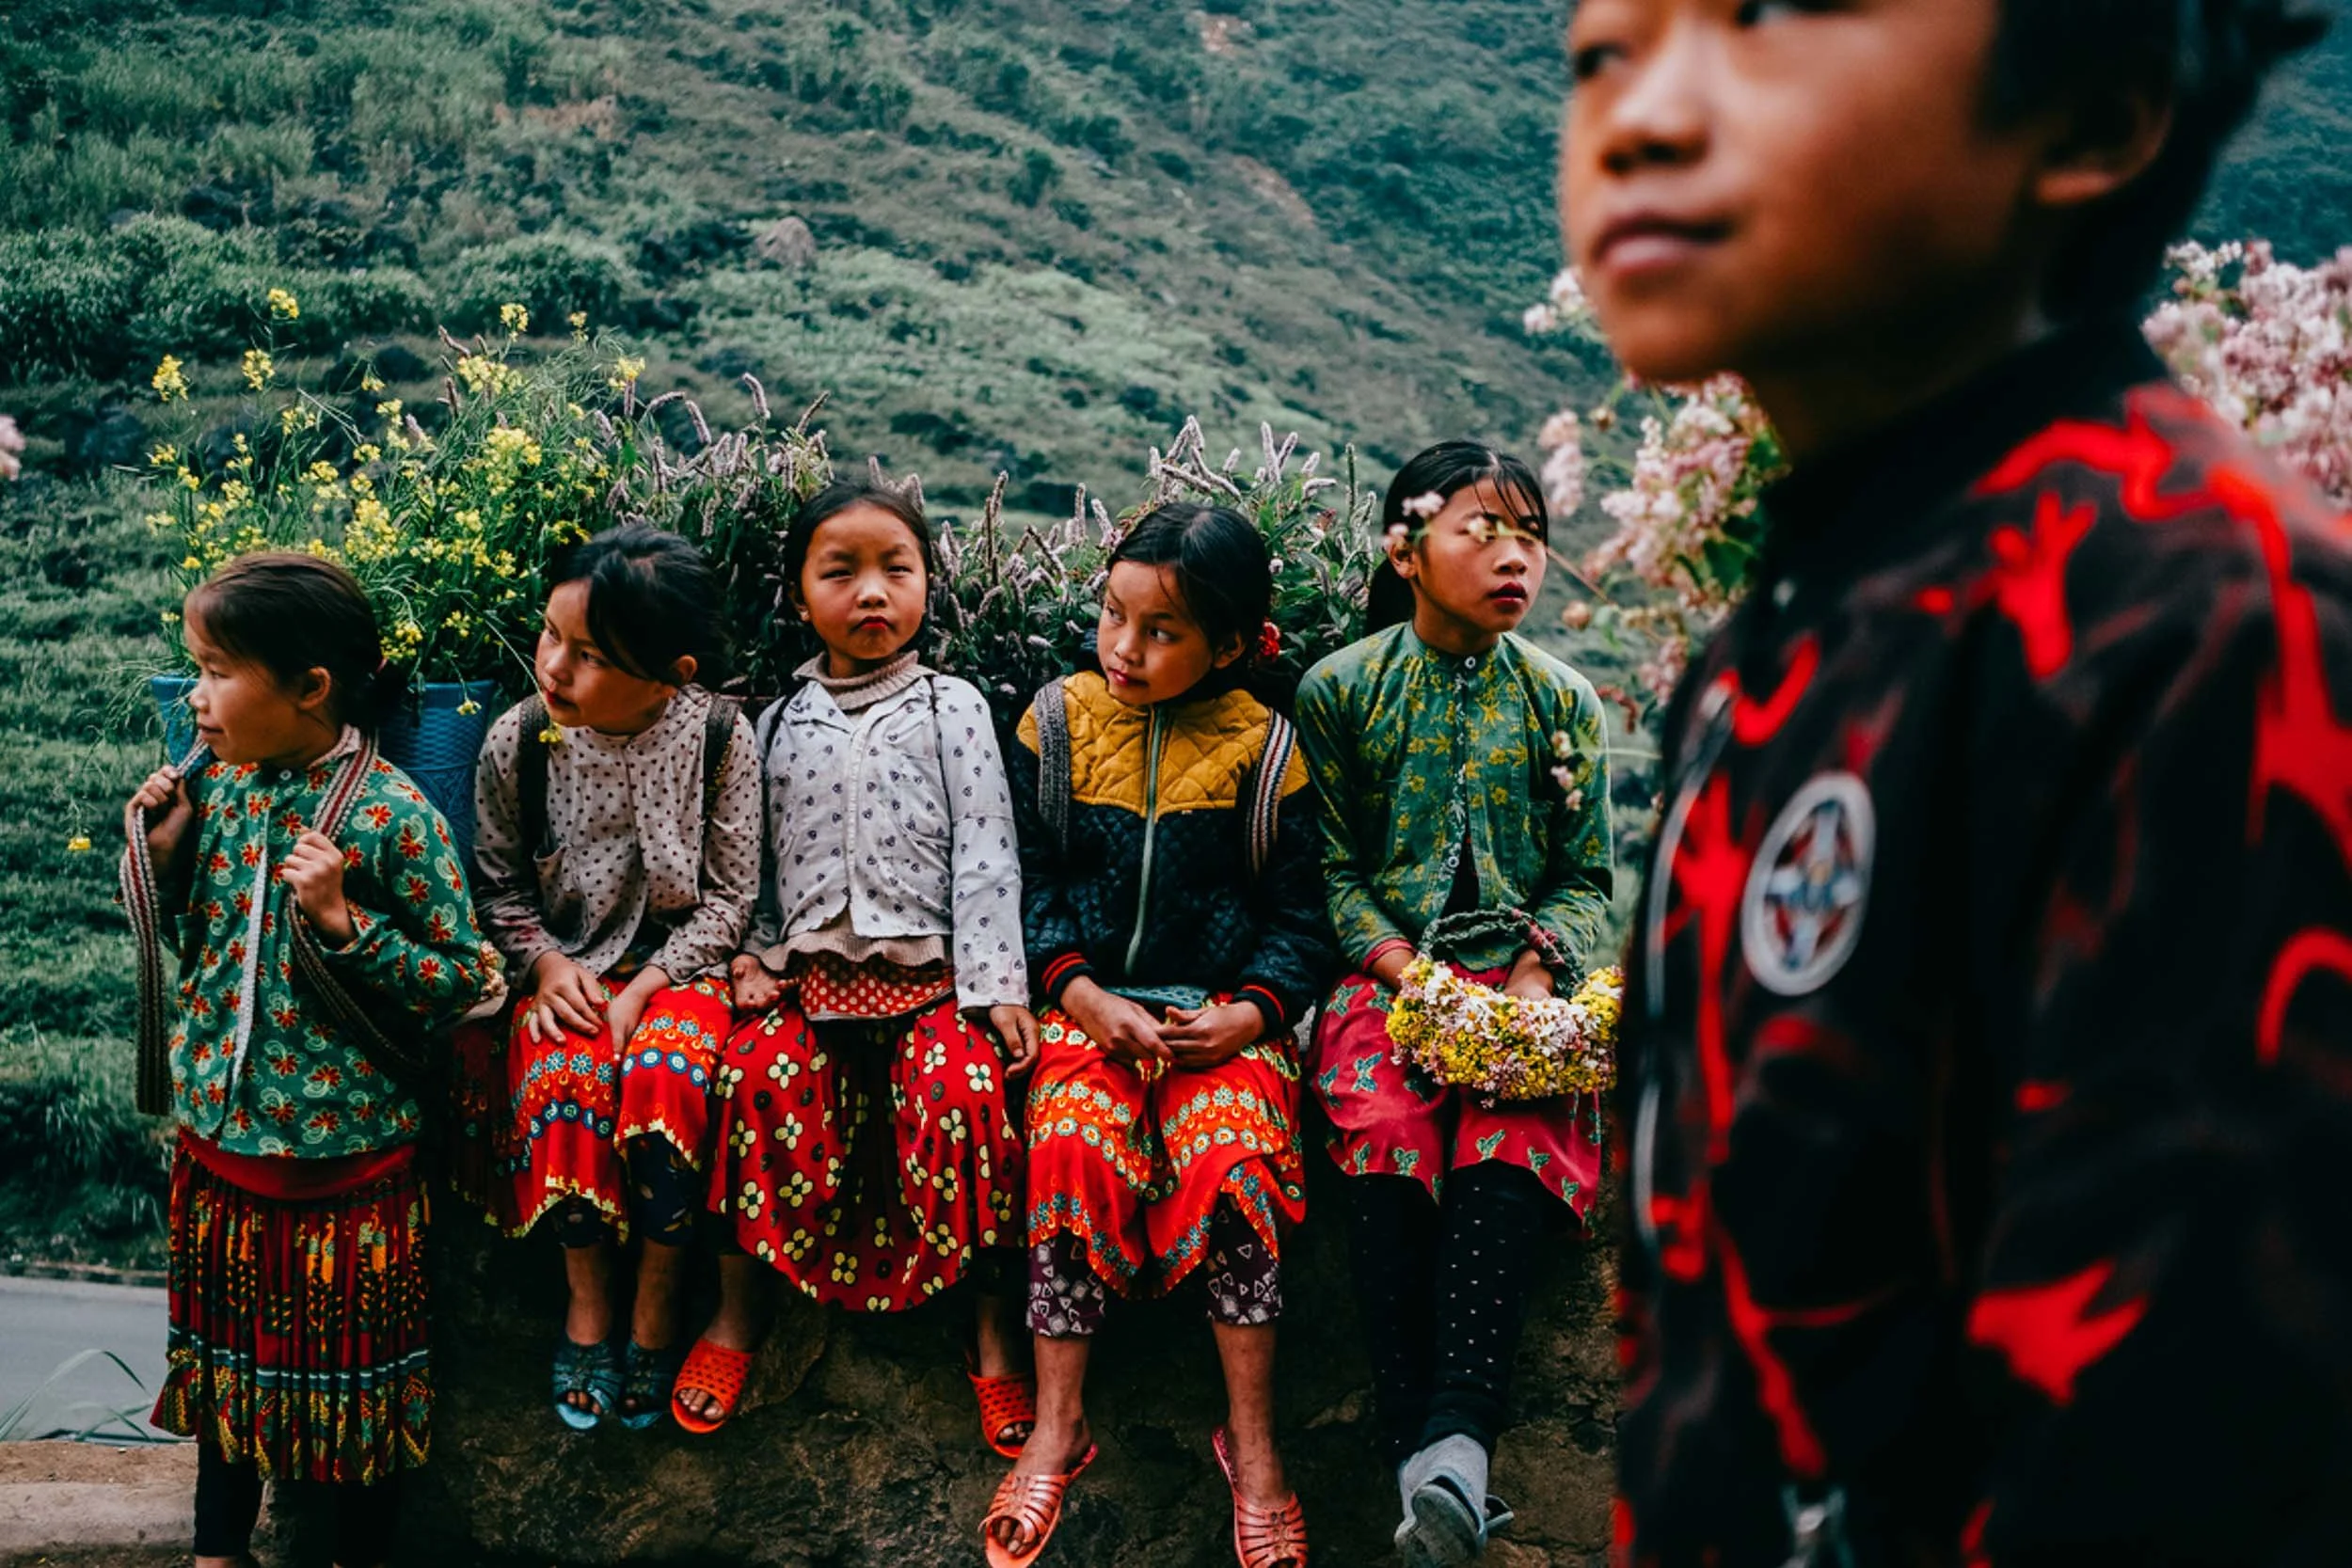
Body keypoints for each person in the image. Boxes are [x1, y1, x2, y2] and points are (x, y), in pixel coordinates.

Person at [1561, 2, 2352, 1563]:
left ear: (2097, 118)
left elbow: (2182, 1460)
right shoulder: (1776, 643)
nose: (1638, 118)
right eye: (1599, 53)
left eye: (1767, 18)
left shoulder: (2206, 626)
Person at [120, 553, 499, 1568]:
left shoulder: (390, 815)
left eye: (216, 670)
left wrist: (343, 922)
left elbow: (462, 979)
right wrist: (162, 857)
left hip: (349, 1173)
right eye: (193, 667)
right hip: (224, 1149)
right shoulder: (226, 793)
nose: (195, 697)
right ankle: (216, 1550)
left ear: (311, 689)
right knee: (229, 1377)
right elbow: (210, 953)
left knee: (356, 1394)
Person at [981, 503, 1332, 1568]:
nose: (1124, 648)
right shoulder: (1054, 722)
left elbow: (1302, 919)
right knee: (1071, 1145)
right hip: (1085, 1007)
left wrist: (1248, 1014)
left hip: (1215, 1022)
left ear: (1230, 645)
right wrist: (1079, 994)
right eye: (1111, 615)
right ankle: (1058, 1424)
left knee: (1236, 1162)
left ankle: (1256, 1447)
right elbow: (1024, 879)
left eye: (1163, 630)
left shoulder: (1267, 755)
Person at [1294, 440, 1615, 1566]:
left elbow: (1587, 877)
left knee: (1510, 1124)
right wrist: (1404, 975)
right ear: (1406, 549)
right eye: (1482, 530)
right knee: (1383, 1125)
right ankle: (1426, 1464)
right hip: (1384, 982)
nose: (1514, 555)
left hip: (1519, 980)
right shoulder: (1338, 690)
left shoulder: (1563, 699)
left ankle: (1452, 1458)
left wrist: (1534, 972)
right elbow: (1332, 872)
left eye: (1529, 534)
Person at [675, 479, 1039, 1444]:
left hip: (933, 985)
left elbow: (988, 848)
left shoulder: (950, 704)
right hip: (809, 980)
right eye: (842, 572)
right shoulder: (776, 721)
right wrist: (752, 953)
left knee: (967, 1103)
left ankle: (995, 1327)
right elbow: (745, 858)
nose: (872, 592)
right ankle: (739, 1306)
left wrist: (997, 985)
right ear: (799, 595)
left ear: (927, 587)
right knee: (753, 1082)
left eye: (896, 570)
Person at [453, 525, 760, 1431]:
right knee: (563, 1083)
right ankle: (587, 1297)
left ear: (672, 672)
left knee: (668, 1082)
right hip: (566, 971)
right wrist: (546, 965)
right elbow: (499, 887)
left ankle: (660, 1292)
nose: (556, 664)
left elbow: (732, 897)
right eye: (552, 634)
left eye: (590, 654)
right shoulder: (520, 741)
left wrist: (644, 989)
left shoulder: (716, 736)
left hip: (680, 974)